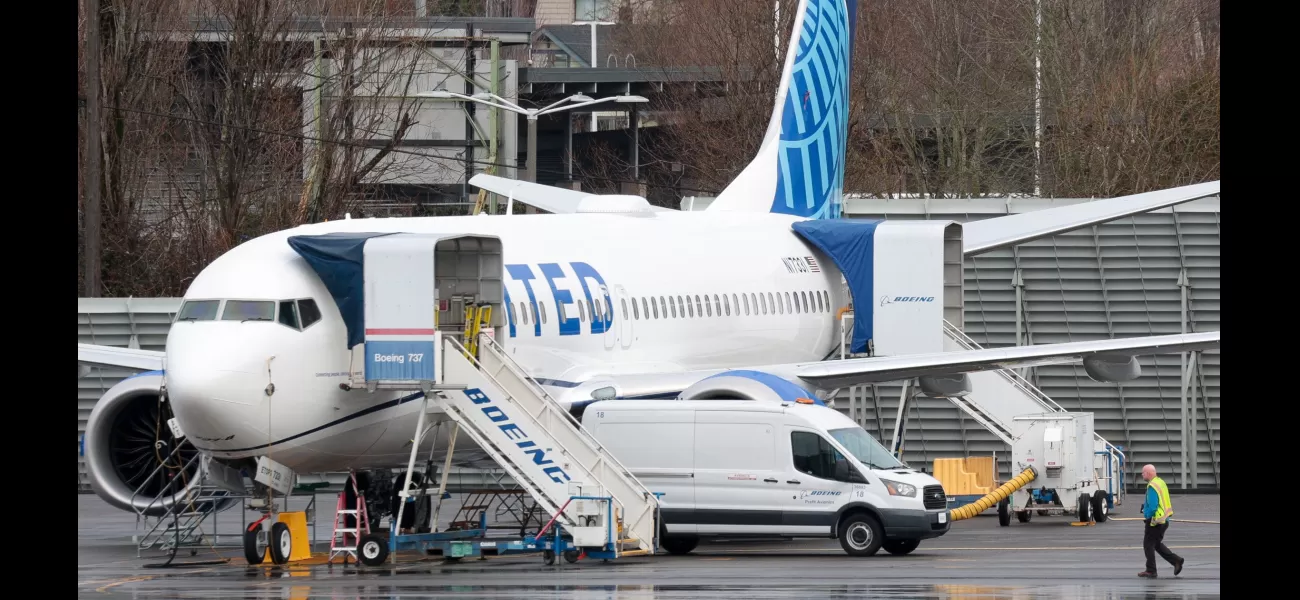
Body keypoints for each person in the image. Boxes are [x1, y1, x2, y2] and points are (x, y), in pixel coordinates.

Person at [1138, 464, 1185, 578]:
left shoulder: (1152, 486)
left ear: (1148, 473)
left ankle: (1151, 570)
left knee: (1148, 545)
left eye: (1143, 473)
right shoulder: (1160, 482)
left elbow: (1153, 506)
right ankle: (1176, 561)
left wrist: (1147, 514)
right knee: (1156, 544)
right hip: (1164, 519)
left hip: (1155, 521)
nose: (1141, 474)